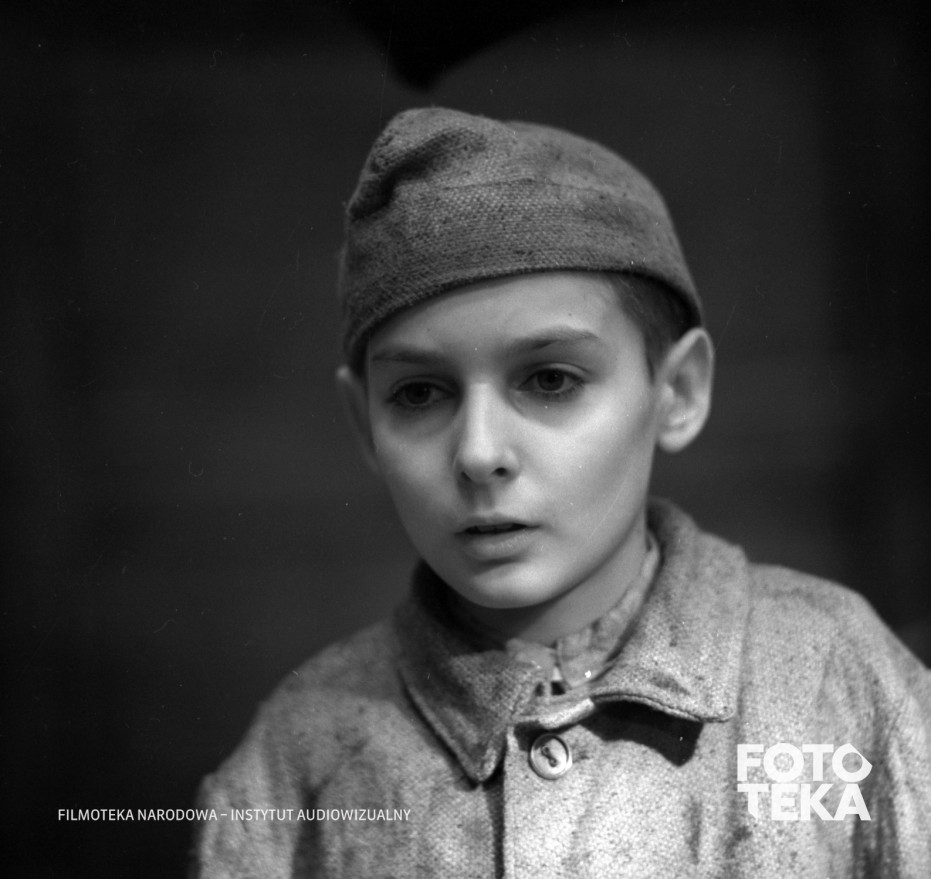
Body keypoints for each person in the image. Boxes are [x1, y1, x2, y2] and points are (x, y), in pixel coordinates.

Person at [191, 107, 931, 877]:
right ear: (363, 423)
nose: (479, 453)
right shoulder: (298, 761)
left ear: (677, 390)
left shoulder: (836, 681)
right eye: (418, 393)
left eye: (550, 380)